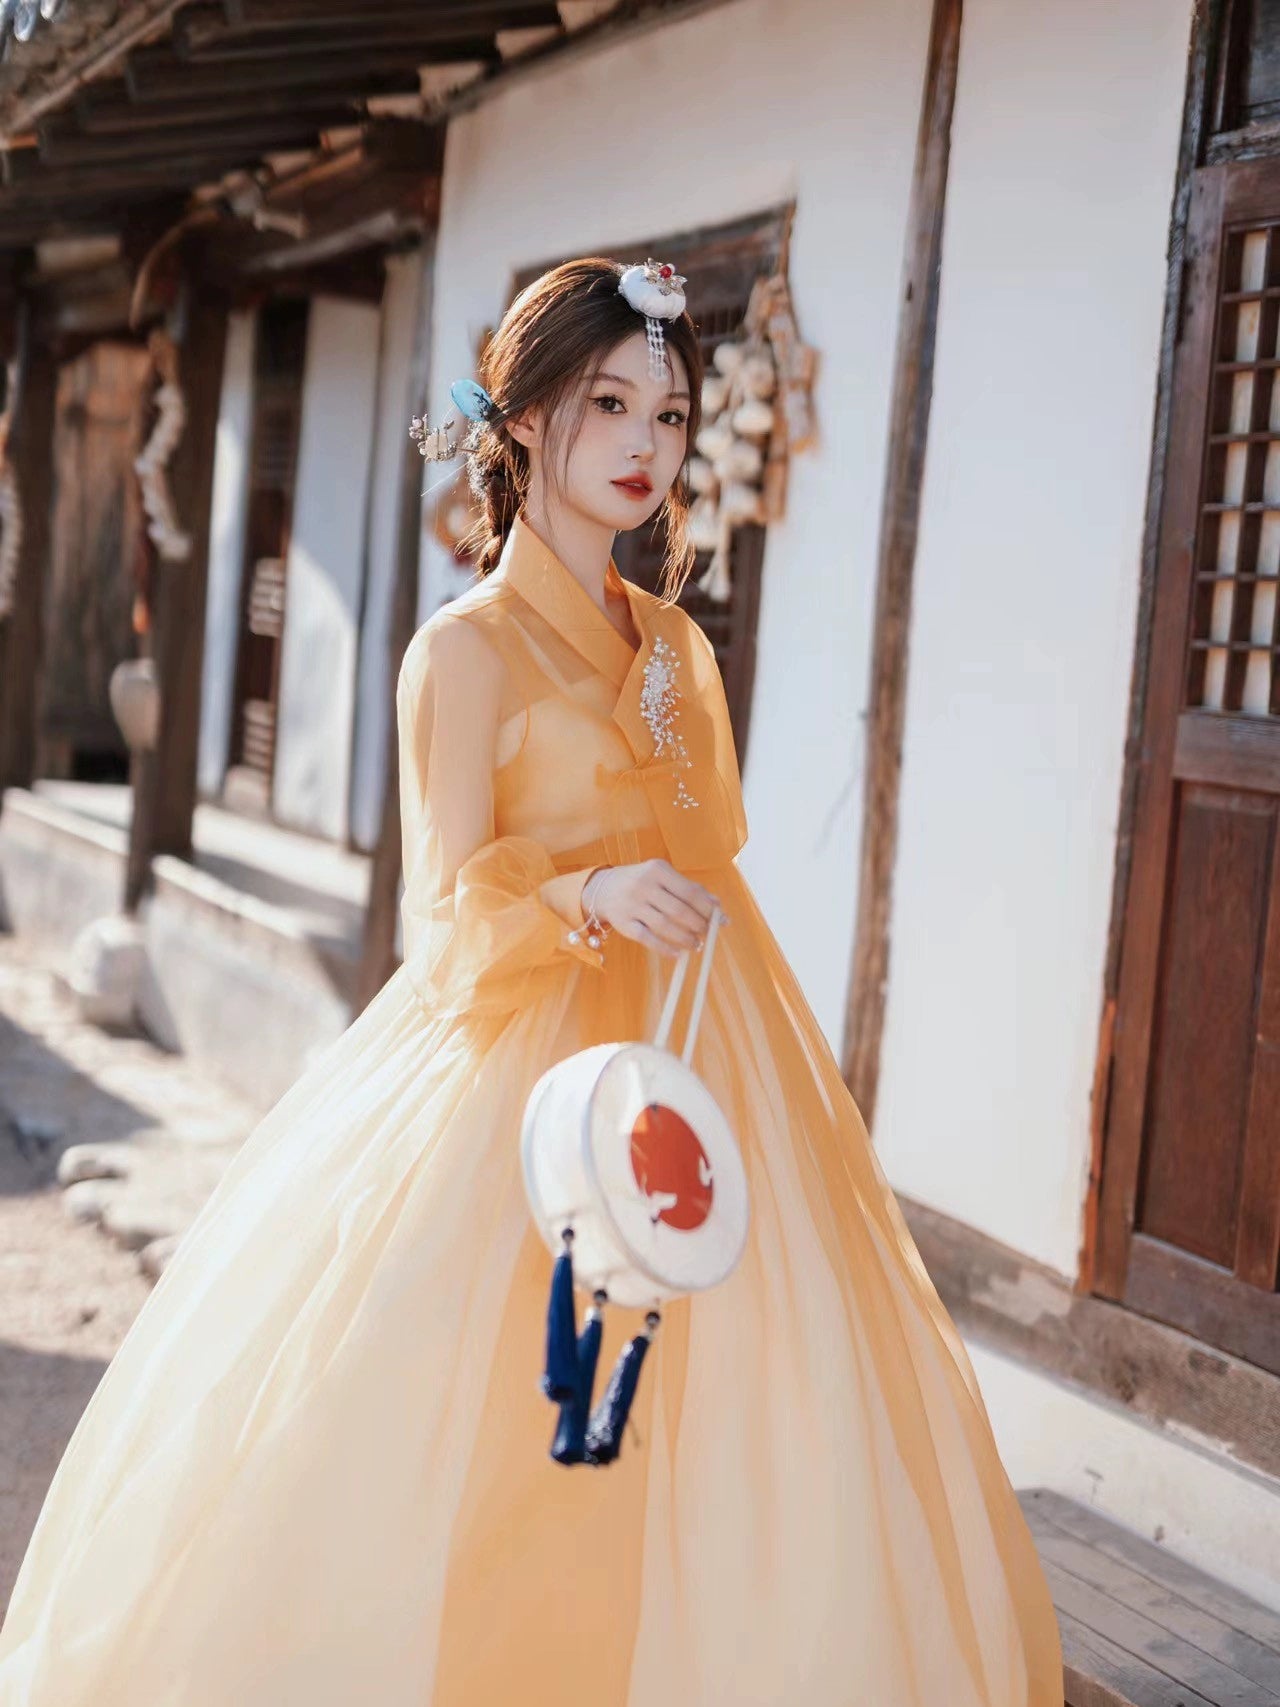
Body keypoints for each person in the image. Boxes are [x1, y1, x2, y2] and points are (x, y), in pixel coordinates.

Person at [0, 256, 1064, 1706]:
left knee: (732, 1400)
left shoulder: (676, 645)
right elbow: (444, 923)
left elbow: (704, 843)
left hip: (700, 1039)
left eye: (672, 415)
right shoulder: (465, 652)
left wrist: (646, 838)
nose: (645, 444)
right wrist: (583, 889)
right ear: (524, 421)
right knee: (500, 1411)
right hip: (522, 1057)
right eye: (607, 402)